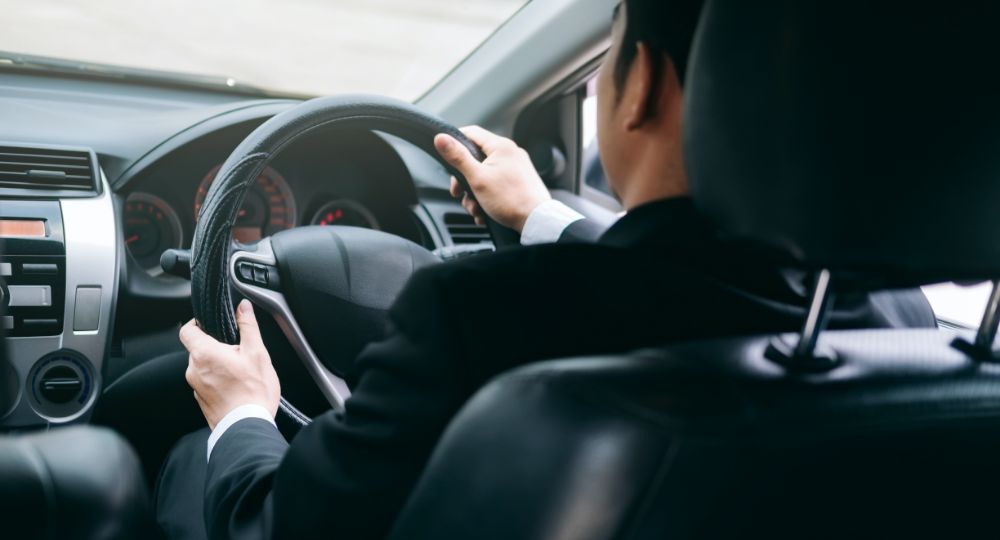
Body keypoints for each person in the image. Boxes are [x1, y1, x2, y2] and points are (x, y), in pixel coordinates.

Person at [155, 1, 937, 539]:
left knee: (193, 460)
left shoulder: (473, 316)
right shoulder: (909, 330)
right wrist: (539, 217)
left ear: (641, 85)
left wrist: (245, 413)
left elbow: (276, 525)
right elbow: (692, 287)